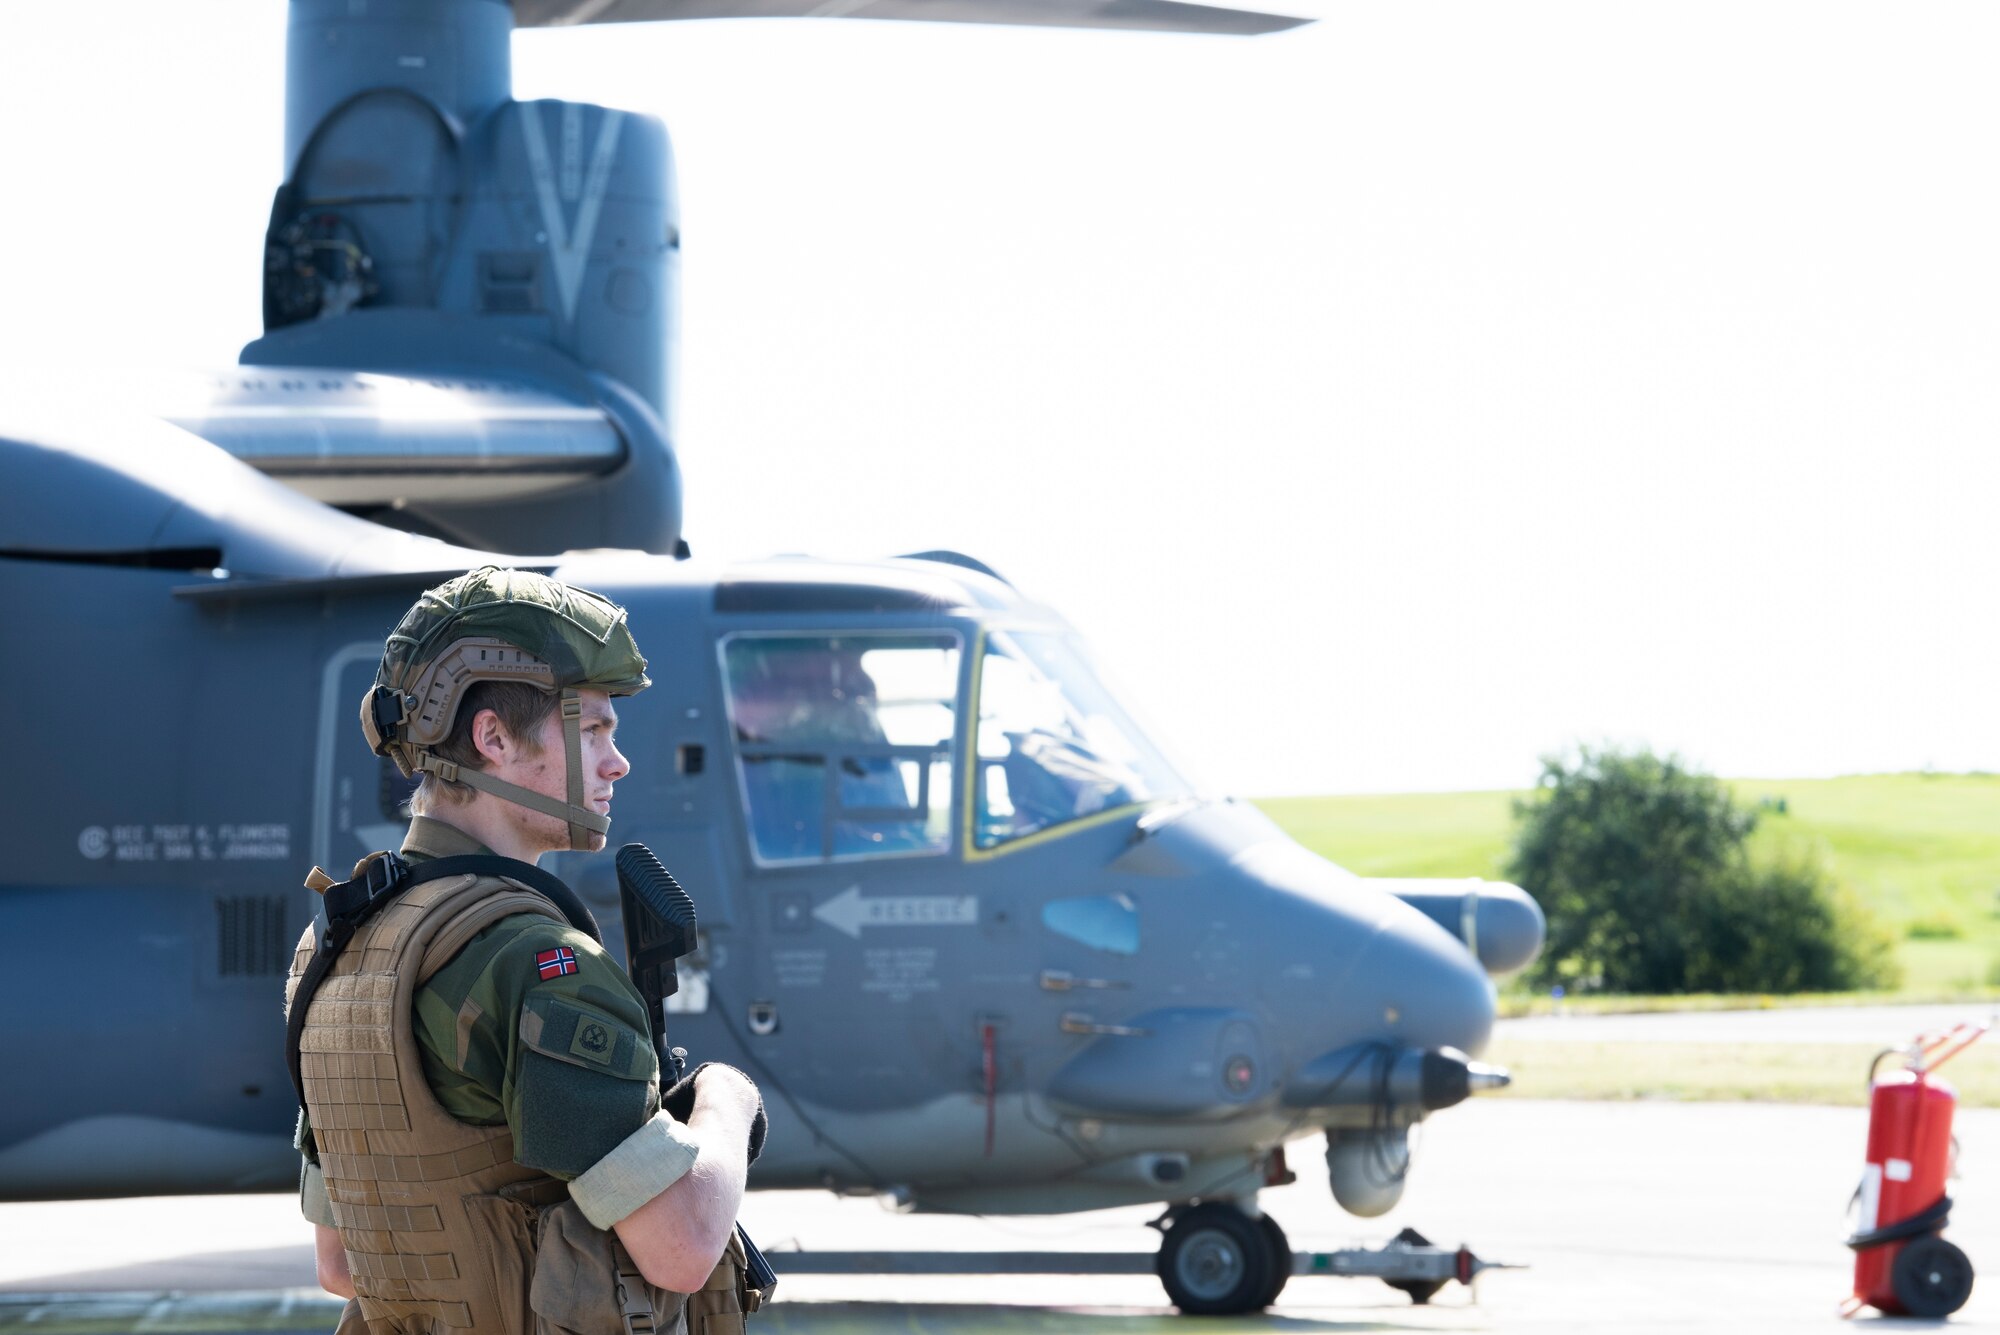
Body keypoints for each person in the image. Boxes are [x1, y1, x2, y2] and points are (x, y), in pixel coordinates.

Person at [285, 566, 765, 1335]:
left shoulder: (334, 949)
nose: (618, 762)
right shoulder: (536, 961)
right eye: (594, 730)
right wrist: (726, 1099)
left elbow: (340, 1264)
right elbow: (680, 1248)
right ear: (493, 738)